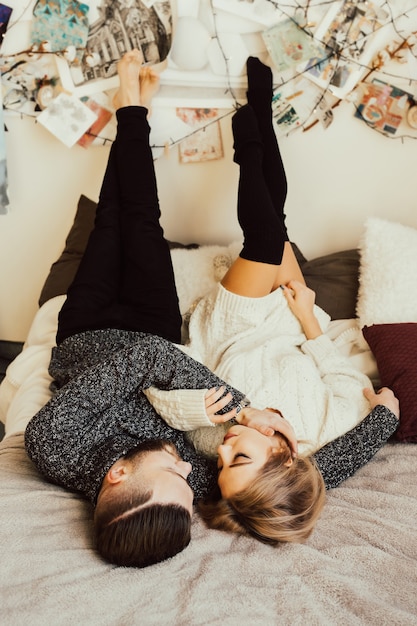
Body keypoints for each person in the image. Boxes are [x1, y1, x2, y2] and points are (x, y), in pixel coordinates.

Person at [24, 51, 398, 568]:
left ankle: (130, 108)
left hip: (87, 330)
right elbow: (304, 477)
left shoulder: (54, 445)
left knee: (112, 222)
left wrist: (242, 407)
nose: (187, 468)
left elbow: (147, 360)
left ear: (118, 476)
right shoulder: (194, 479)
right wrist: (382, 423)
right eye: (189, 483)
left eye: (174, 477)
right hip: (155, 324)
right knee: (142, 219)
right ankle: (133, 109)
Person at [141, 57, 400, 543]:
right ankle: (258, 111)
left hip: (229, 327)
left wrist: (216, 412)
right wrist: (307, 319)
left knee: (264, 239)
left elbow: (157, 391)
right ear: (286, 456)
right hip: (288, 318)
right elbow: (344, 376)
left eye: (221, 465)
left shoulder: (209, 435)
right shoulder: (331, 429)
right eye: (239, 458)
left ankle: (250, 134)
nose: (225, 450)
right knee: (275, 225)